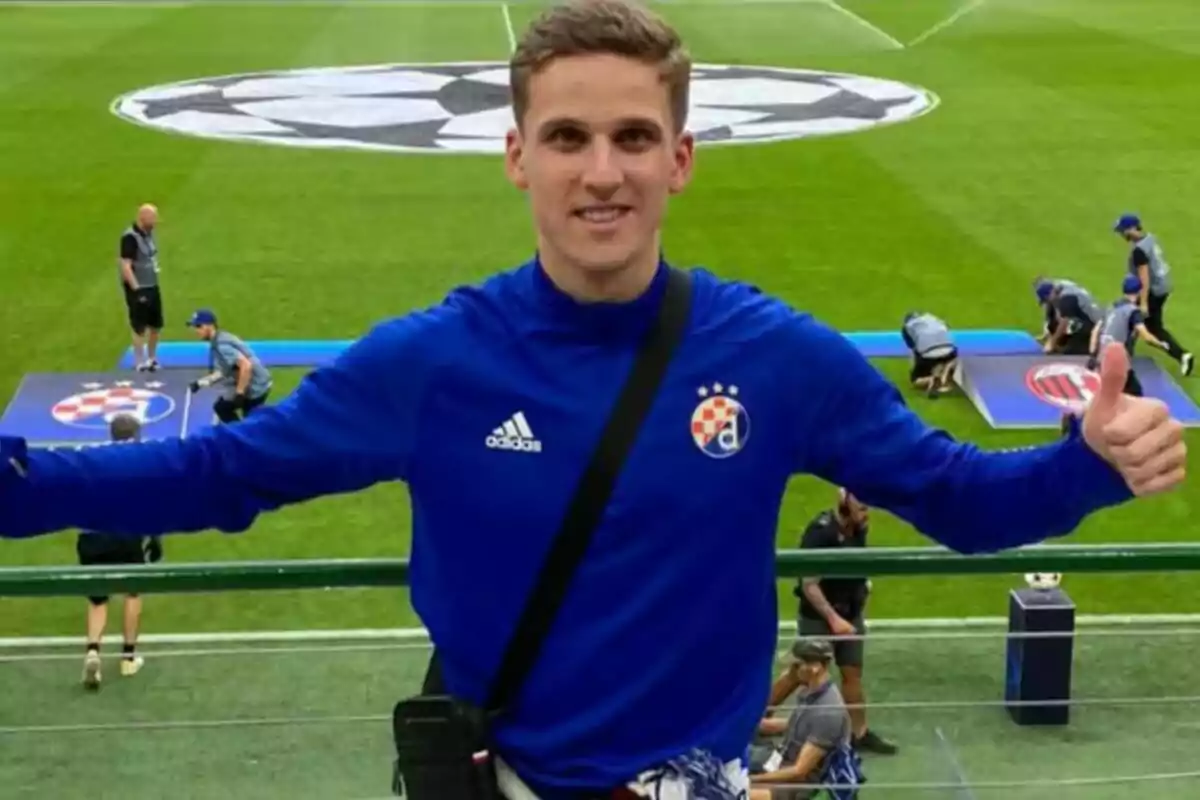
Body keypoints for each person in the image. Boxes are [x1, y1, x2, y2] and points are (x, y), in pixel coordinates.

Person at [0, 1, 1188, 797]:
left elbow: (959, 498)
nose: (601, 170)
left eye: (633, 136)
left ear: (681, 157)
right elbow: (223, 472)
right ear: (517, 153)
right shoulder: (436, 360)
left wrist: (1086, 460)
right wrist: (16, 492)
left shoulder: (773, 353)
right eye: (567, 136)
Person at [791, 489, 895, 755]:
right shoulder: (820, 532)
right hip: (820, 617)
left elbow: (855, 564)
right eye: (862, 510)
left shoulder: (858, 529)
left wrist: (862, 593)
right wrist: (834, 619)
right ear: (845, 505)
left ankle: (859, 733)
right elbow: (809, 584)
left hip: (850, 614)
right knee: (804, 674)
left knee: (852, 673)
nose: (866, 515)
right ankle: (768, 720)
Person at [75, 414, 162, 690]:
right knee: (132, 592)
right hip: (125, 534)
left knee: (97, 600)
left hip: (91, 535)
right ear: (136, 434)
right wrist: (155, 537)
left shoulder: (90, 458)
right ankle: (128, 657)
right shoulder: (143, 461)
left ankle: (92, 652)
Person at [751, 640, 862, 800]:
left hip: (795, 784)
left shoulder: (827, 713)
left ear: (815, 667)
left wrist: (751, 780)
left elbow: (799, 771)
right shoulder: (811, 691)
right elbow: (798, 725)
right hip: (780, 758)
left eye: (797, 665)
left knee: (729, 793)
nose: (791, 671)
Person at [1114, 213, 1193, 377]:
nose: (1122, 235)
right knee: (1148, 324)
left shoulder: (1139, 251)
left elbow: (1144, 277)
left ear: (1132, 229)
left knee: (1137, 319)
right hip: (1164, 285)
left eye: (1123, 231)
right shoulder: (1150, 239)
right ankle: (1180, 355)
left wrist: (1143, 303)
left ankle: (1181, 354)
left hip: (1153, 290)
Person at [185, 309, 273, 424]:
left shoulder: (221, 346)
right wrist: (200, 383)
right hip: (252, 382)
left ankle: (242, 436)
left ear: (210, 326)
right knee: (222, 407)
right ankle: (238, 433)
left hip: (257, 387)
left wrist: (240, 393)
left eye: (198, 326)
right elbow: (223, 370)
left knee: (248, 423)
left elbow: (246, 366)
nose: (196, 330)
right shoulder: (218, 340)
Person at [1088, 277, 1170, 398]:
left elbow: (1095, 332)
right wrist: (1161, 344)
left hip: (1102, 357)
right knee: (1135, 394)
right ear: (1139, 292)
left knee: (1107, 393)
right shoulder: (1132, 312)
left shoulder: (1111, 307)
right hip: (1118, 360)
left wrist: (1092, 355)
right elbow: (1146, 336)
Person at [119, 204, 164, 372]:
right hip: (139, 287)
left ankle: (152, 359)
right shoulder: (130, 237)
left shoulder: (148, 233)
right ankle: (139, 362)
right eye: (153, 218)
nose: (156, 221)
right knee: (139, 326)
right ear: (143, 217)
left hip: (152, 284)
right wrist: (136, 289)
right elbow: (125, 265)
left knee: (156, 325)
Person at [1035, 278, 1103, 355]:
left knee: (1071, 352)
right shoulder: (1057, 287)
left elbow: (1065, 323)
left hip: (1093, 323)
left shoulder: (1067, 298)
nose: (1047, 302)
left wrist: (1051, 343)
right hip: (1082, 316)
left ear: (1051, 292)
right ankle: (1061, 345)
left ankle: (1084, 349)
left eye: (1046, 300)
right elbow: (1050, 311)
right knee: (1054, 324)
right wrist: (1046, 335)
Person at [900, 311, 957, 398]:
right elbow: (947, 329)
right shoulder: (933, 318)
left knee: (915, 380)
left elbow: (913, 349)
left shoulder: (907, 327)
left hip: (928, 353)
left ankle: (931, 379)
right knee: (948, 358)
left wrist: (915, 370)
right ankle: (946, 372)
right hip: (949, 349)